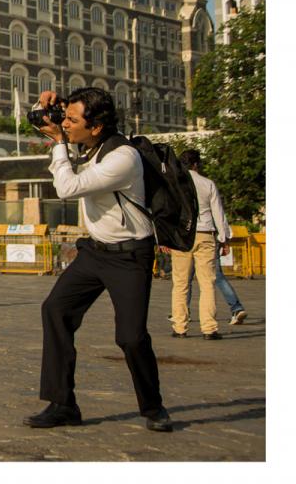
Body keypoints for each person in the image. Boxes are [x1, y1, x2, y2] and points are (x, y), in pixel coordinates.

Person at [24, 88, 172, 432]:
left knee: (131, 337)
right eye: (66, 117)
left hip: (129, 255)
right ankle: (62, 403)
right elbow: (45, 124)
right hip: (94, 252)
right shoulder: (90, 143)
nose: (66, 124)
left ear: (96, 126)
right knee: (56, 309)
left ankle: (153, 407)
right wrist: (44, 107)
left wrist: (59, 143)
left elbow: (68, 187)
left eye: (73, 120)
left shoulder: (122, 157)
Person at [169, 149, 241, 335]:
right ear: (196, 164)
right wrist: (224, 239)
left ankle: (179, 327)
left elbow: (169, 212)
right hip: (205, 234)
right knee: (207, 283)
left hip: (182, 236)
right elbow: (218, 213)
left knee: (180, 283)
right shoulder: (208, 183)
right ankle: (209, 328)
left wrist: (166, 238)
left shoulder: (175, 184)